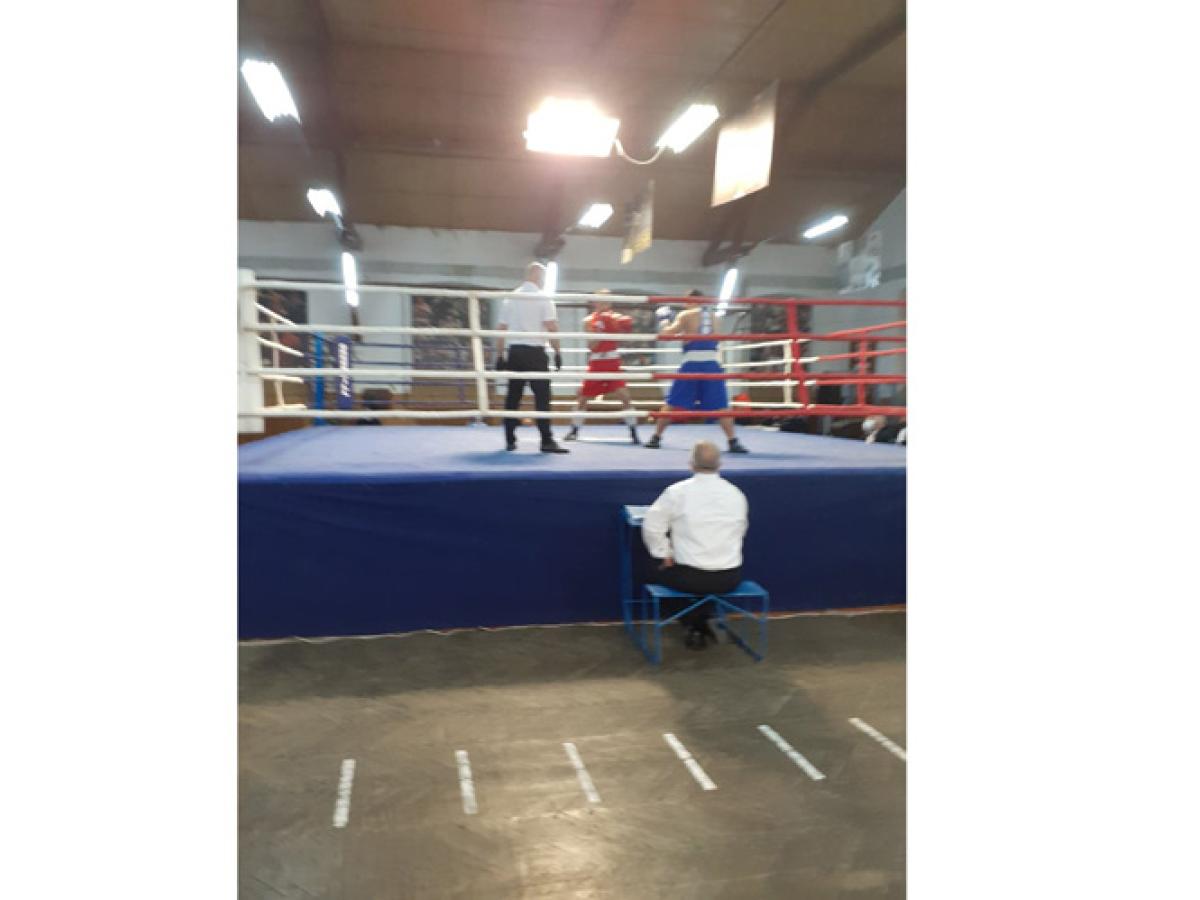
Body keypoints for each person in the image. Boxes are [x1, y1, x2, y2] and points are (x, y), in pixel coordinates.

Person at [642, 441, 749, 650]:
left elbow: (651, 526)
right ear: (720, 464)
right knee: (704, 577)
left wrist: (664, 553)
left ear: (691, 464)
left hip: (690, 577)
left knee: (654, 570)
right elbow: (740, 530)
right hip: (730, 577)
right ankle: (702, 619)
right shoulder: (736, 494)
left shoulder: (677, 492)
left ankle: (693, 622)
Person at [644, 291, 749, 453]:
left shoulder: (686, 315)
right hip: (712, 365)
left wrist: (664, 320)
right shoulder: (715, 317)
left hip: (691, 364)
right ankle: (733, 441)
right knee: (721, 406)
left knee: (672, 403)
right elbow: (716, 340)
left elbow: (666, 335)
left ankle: (656, 438)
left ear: (689, 301)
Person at [494, 262, 569, 453]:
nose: (543, 280)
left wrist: (500, 355)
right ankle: (546, 440)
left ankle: (509, 439)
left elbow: (501, 329)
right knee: (542, 397)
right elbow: (552, 327)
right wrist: (558, 352)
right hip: (535, 353)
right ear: (537, 275)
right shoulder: (543, 298)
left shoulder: (511, 297)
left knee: (513, 396)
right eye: (542, 276)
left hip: (515, 352)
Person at [564, 289, 640, 444]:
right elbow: (591, 346)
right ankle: (573, 431)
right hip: (597, 363)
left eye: (607, 300)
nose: (604, 303)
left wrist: (612, 326)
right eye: (601, 300)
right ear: (595, 302)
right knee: (583, 398)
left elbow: (626, 334)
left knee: (625, 397)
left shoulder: (617, 318)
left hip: (613, 362)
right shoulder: (588, 320)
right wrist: (601, 330)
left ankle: (633, 432)